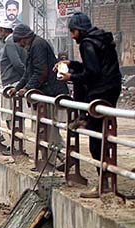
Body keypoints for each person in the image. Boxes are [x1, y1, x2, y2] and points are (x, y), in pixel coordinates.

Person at [57, 12, 122, 199]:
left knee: (96, 141)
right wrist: (72, 64)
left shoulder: (87, 44)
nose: (72, 36)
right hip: (112, 87)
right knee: (105, 135)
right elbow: (95, 67)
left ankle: (104, 185)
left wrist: (70, 77)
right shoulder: (101, 39)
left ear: (79, 30)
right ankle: (107, 183)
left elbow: (92, 73)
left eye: (73, 32)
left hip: (100, 91)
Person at [13, 24, 69, 168]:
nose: (19, 45)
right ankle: (59, 158)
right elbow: (28, 73)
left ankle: (61, 157)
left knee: (49, 128)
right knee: (45, 128)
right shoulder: (33, 46)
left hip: (49, 92)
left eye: (19, 41)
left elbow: (41, 72)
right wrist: (18, 87)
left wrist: (27, 88)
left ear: (24, 38)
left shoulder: (38, 46)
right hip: (44, 92)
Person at [0, 20, 26, 154]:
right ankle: (16, 145)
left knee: (11, 117)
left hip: (12, 84)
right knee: (15, 116)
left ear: (3, 30)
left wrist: (23, 80)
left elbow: (17, 63)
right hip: (15, 82)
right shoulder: (14, 42)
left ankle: (16, 146)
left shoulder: (9, 42)